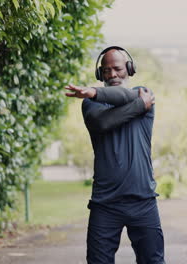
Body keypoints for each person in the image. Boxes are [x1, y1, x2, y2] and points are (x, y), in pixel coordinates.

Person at [65, 46, 165, 264]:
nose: (112, 75)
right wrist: (139, 106)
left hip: (143, 201)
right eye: (106, 70)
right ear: (100, 74)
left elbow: (126, 96)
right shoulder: (91, 104)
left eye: (118, 68)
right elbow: (102, 122)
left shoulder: (143, 93)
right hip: (105, 204)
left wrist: (94, 90)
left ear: (129, 69)